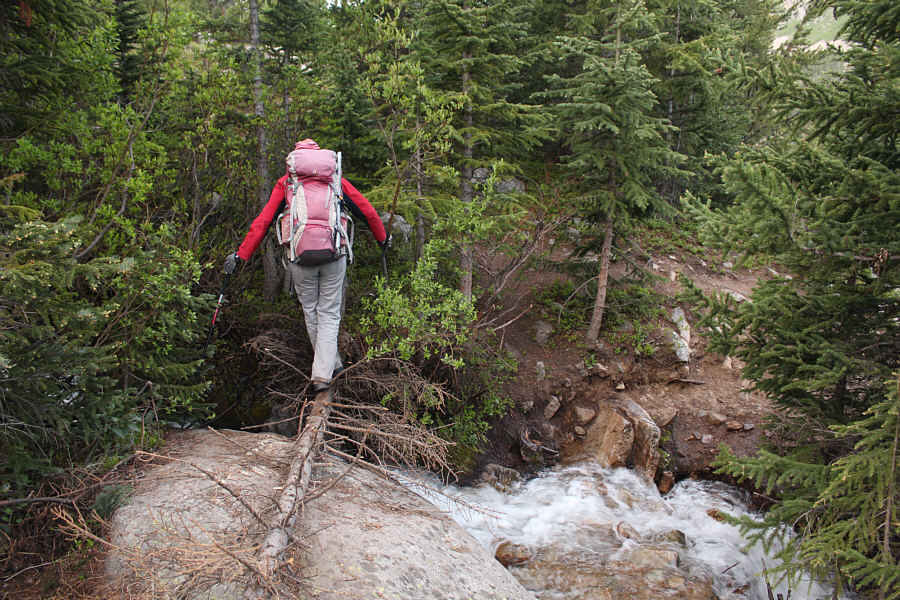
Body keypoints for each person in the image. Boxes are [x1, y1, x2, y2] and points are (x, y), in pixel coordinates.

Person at [223, 139, 388, 393]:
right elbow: (367, 212)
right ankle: (325, 371)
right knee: (329, 313)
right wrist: (383, 239)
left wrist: (241, 255)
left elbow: (263, 221)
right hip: (334, 255)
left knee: (311, 311)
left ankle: (328, 368)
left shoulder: (287, 184)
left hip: (300, 258)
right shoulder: (335, 180)